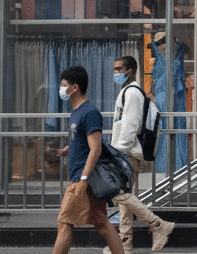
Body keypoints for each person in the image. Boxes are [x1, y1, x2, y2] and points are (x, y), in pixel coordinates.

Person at [53, 66, 127, 254]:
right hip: (82, 178)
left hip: (83, 179)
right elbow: (84, 141)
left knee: (64, 223)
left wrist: (84, 181)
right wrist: (69, 150)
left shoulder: (89, 112)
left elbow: (96, 148)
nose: (61, 89)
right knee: (102, 224)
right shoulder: (77, 111)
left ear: (75, 87)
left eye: (63, 85)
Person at [105, 56, 175, 253]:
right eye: (115, 69)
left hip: (126, 153)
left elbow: (130, 125)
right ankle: (124, 245)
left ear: (132, 71)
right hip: (127, 152)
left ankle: (158, 224)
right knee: (124, 199)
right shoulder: (129, 92)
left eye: (120, 69)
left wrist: (118, 152)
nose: (116, 73)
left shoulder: (133, 93)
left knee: (119, 195)